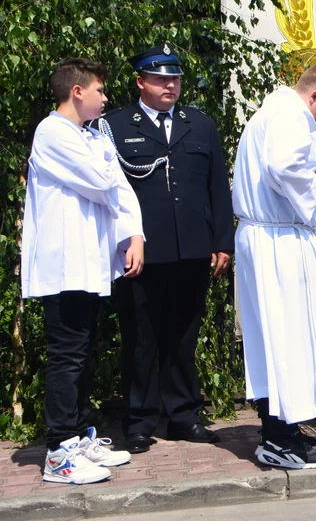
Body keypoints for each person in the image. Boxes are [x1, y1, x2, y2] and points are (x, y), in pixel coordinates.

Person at [91, 44, 232, 454]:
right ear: (140, 82)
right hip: (141, 252)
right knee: (141, 338)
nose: (170, 84)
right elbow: (111, 194)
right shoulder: (114, 125)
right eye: (160, 78)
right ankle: (139, 421)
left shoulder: (199, 124)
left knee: (184, 336)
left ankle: (185, 416)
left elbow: (216, 187)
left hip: (192, 248)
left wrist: (222, 241)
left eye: (175, 77)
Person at [232, 63, 316, 469]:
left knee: (286, 338)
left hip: (274, 237)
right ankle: (276, 438)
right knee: (283, 338)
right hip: (276, 241)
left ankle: (284, 427)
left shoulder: (273, 111)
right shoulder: (290, 114)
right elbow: (283, 167)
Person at [22, 58, 143, 484]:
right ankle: (59, 449)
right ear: (77, 91)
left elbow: (121, 188)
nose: (106, 98)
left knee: (83, 350)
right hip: (63, 264)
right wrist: (108, 161)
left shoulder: (90, 136)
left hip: (88, 264)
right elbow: (101, 180)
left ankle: (78, 434)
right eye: (99, 89)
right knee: (67, 355)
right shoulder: (53, 132)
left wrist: (134, 233)